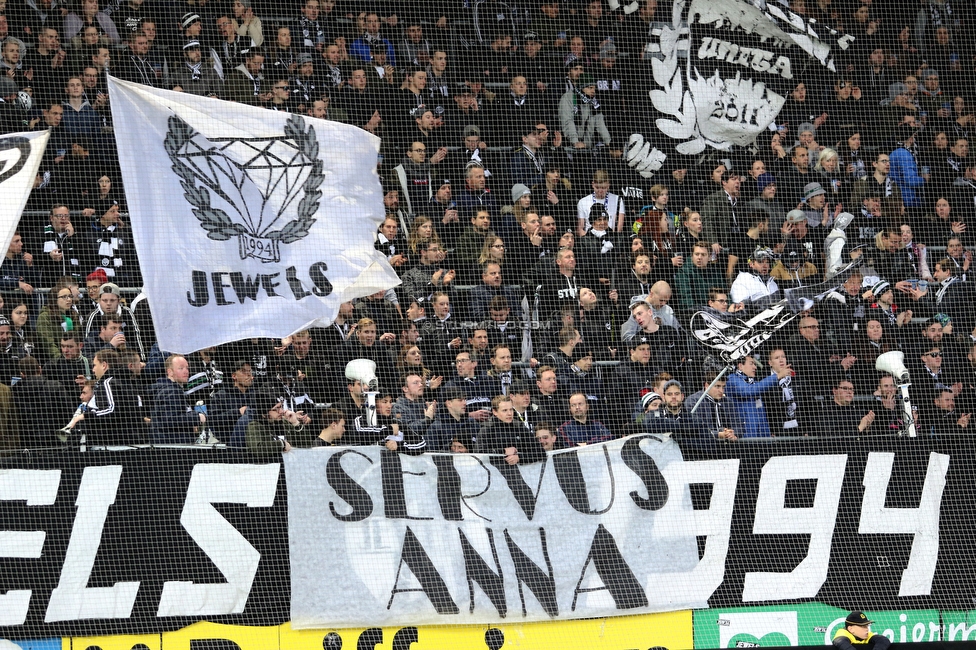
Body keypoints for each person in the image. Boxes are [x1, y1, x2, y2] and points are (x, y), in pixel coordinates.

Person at [149, 354, 206, 444]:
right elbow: (169, 420)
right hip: (173, 447)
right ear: (170, 372)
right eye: (181, 368)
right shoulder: (171, 391)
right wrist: (196, 417)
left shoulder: (171, 389)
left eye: (187, 368)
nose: (186, 371)